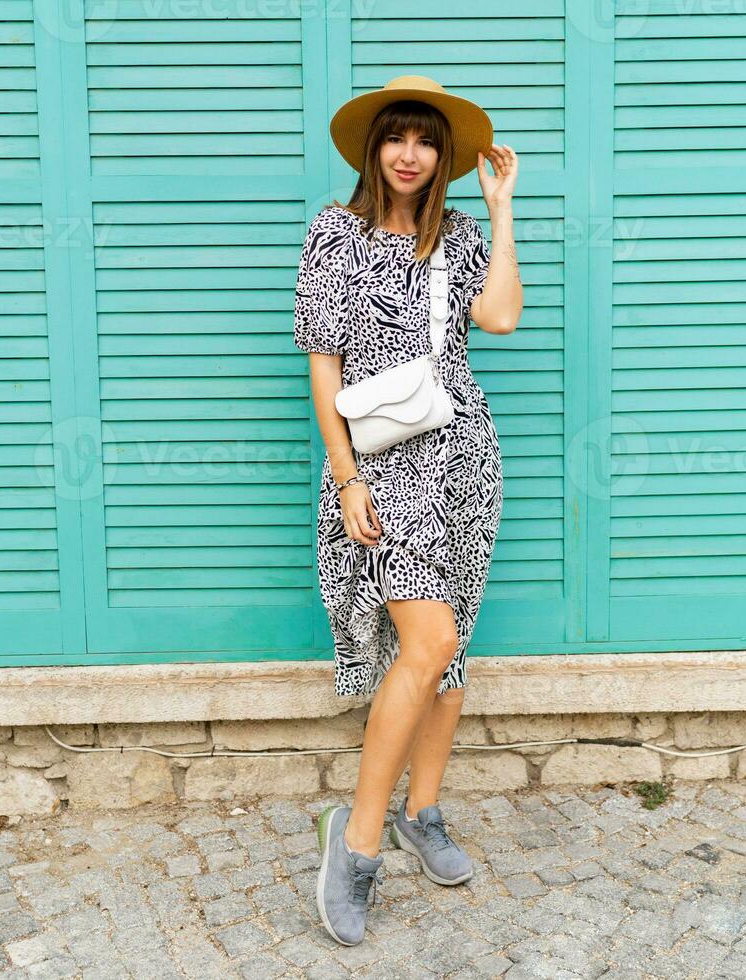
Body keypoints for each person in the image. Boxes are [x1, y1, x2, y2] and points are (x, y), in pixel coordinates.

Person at [292, 76, 523, 945]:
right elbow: (323, 361)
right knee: (425, 643)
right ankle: (353, 846)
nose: (409, 154)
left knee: (447, 658)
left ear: (445, 158)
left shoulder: (461, 236)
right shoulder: (334, 234)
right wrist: (346, 476)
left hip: (464, 460)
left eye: (427, 142)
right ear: (372, 148)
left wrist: (499, 212)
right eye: (396, 138)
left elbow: (498, 317)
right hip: (382, 468)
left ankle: (422, 813)